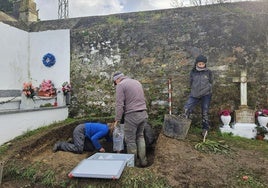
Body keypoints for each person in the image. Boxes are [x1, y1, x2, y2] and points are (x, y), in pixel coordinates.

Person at [113, 72, 148, 167]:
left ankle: (134, 164)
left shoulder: (120, 85)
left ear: (117, 80)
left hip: (132, 115)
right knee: (140, 136)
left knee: (130, 140)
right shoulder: (137, 82)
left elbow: (119, 104)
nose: (115, 84)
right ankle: (143, 161)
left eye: (115, 83)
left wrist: (117, 119)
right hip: (144, 113)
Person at [184, 55, 213, 137]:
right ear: (196, 64)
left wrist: (208, 90)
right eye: (199, 64)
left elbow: (211, 82)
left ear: (205, 64)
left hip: (206, 94)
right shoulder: (193, 72)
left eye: (202, 64)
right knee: (186, 108)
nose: (201, 65)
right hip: (194, 94)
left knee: (205, 111)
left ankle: (205, 129)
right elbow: (191, 82)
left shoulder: (208, 72)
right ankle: (184, 127)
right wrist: (194, 90)